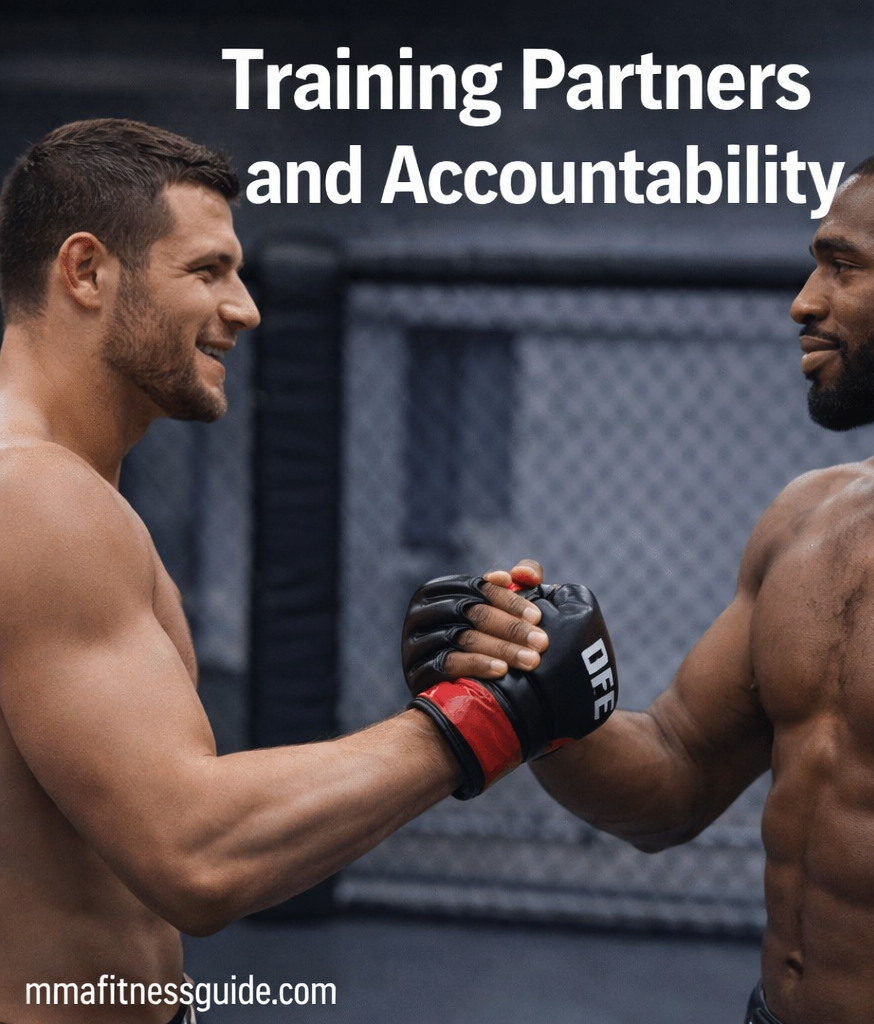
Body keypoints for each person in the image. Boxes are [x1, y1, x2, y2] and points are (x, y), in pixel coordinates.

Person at [0, 118, 619, 1024]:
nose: (246, 308)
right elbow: (195, 853)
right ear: (87, 271)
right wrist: (488, 716)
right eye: (208, 271)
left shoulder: (50, 490)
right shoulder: (37, 498)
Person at [406, 134, 874, 1024]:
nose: (803, 302)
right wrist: (534, 691)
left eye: (843, 266)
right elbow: (674, 780)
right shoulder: (806, 518)